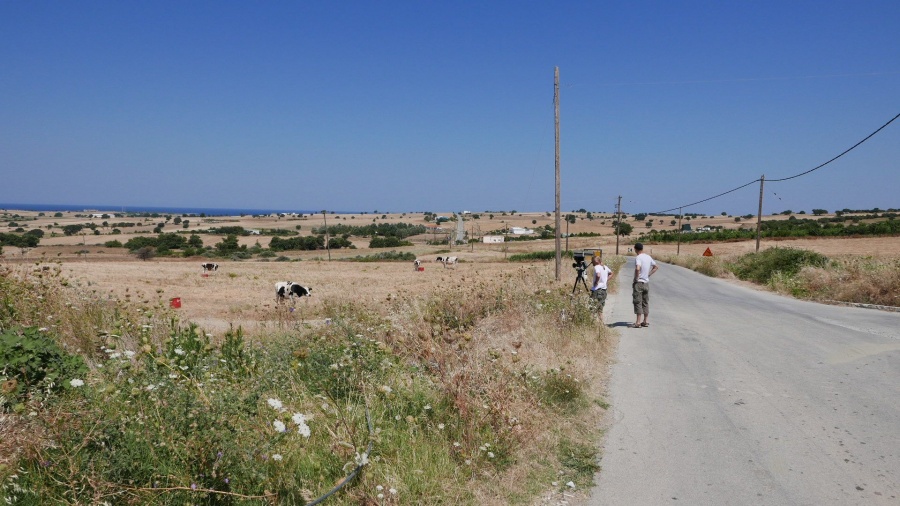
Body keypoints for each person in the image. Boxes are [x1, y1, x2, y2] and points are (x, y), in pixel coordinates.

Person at [631, 242, 658, 328]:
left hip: (639, 282)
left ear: (635, 249)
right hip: (646, 282)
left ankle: (638, 322)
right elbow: (656, 267)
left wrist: (636, 277)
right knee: (645, 302)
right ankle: (645, 320)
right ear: (642, 248)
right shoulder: (648, 257)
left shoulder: (638, 257)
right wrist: (648, 274)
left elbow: (638, 268)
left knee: (638, 301)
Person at [590, 255, 613, 323]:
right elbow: (611, 273)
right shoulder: (605, 267)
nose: (592, 263)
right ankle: (601, 323)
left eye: (592, 262)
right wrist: (605, 280)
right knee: (600, 309)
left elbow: (598, 275)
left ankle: (592, 323)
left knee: (593, 307)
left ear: (595, 261)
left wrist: (596, 282)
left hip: (597, 290)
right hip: (604, 290)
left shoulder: (597, 267)